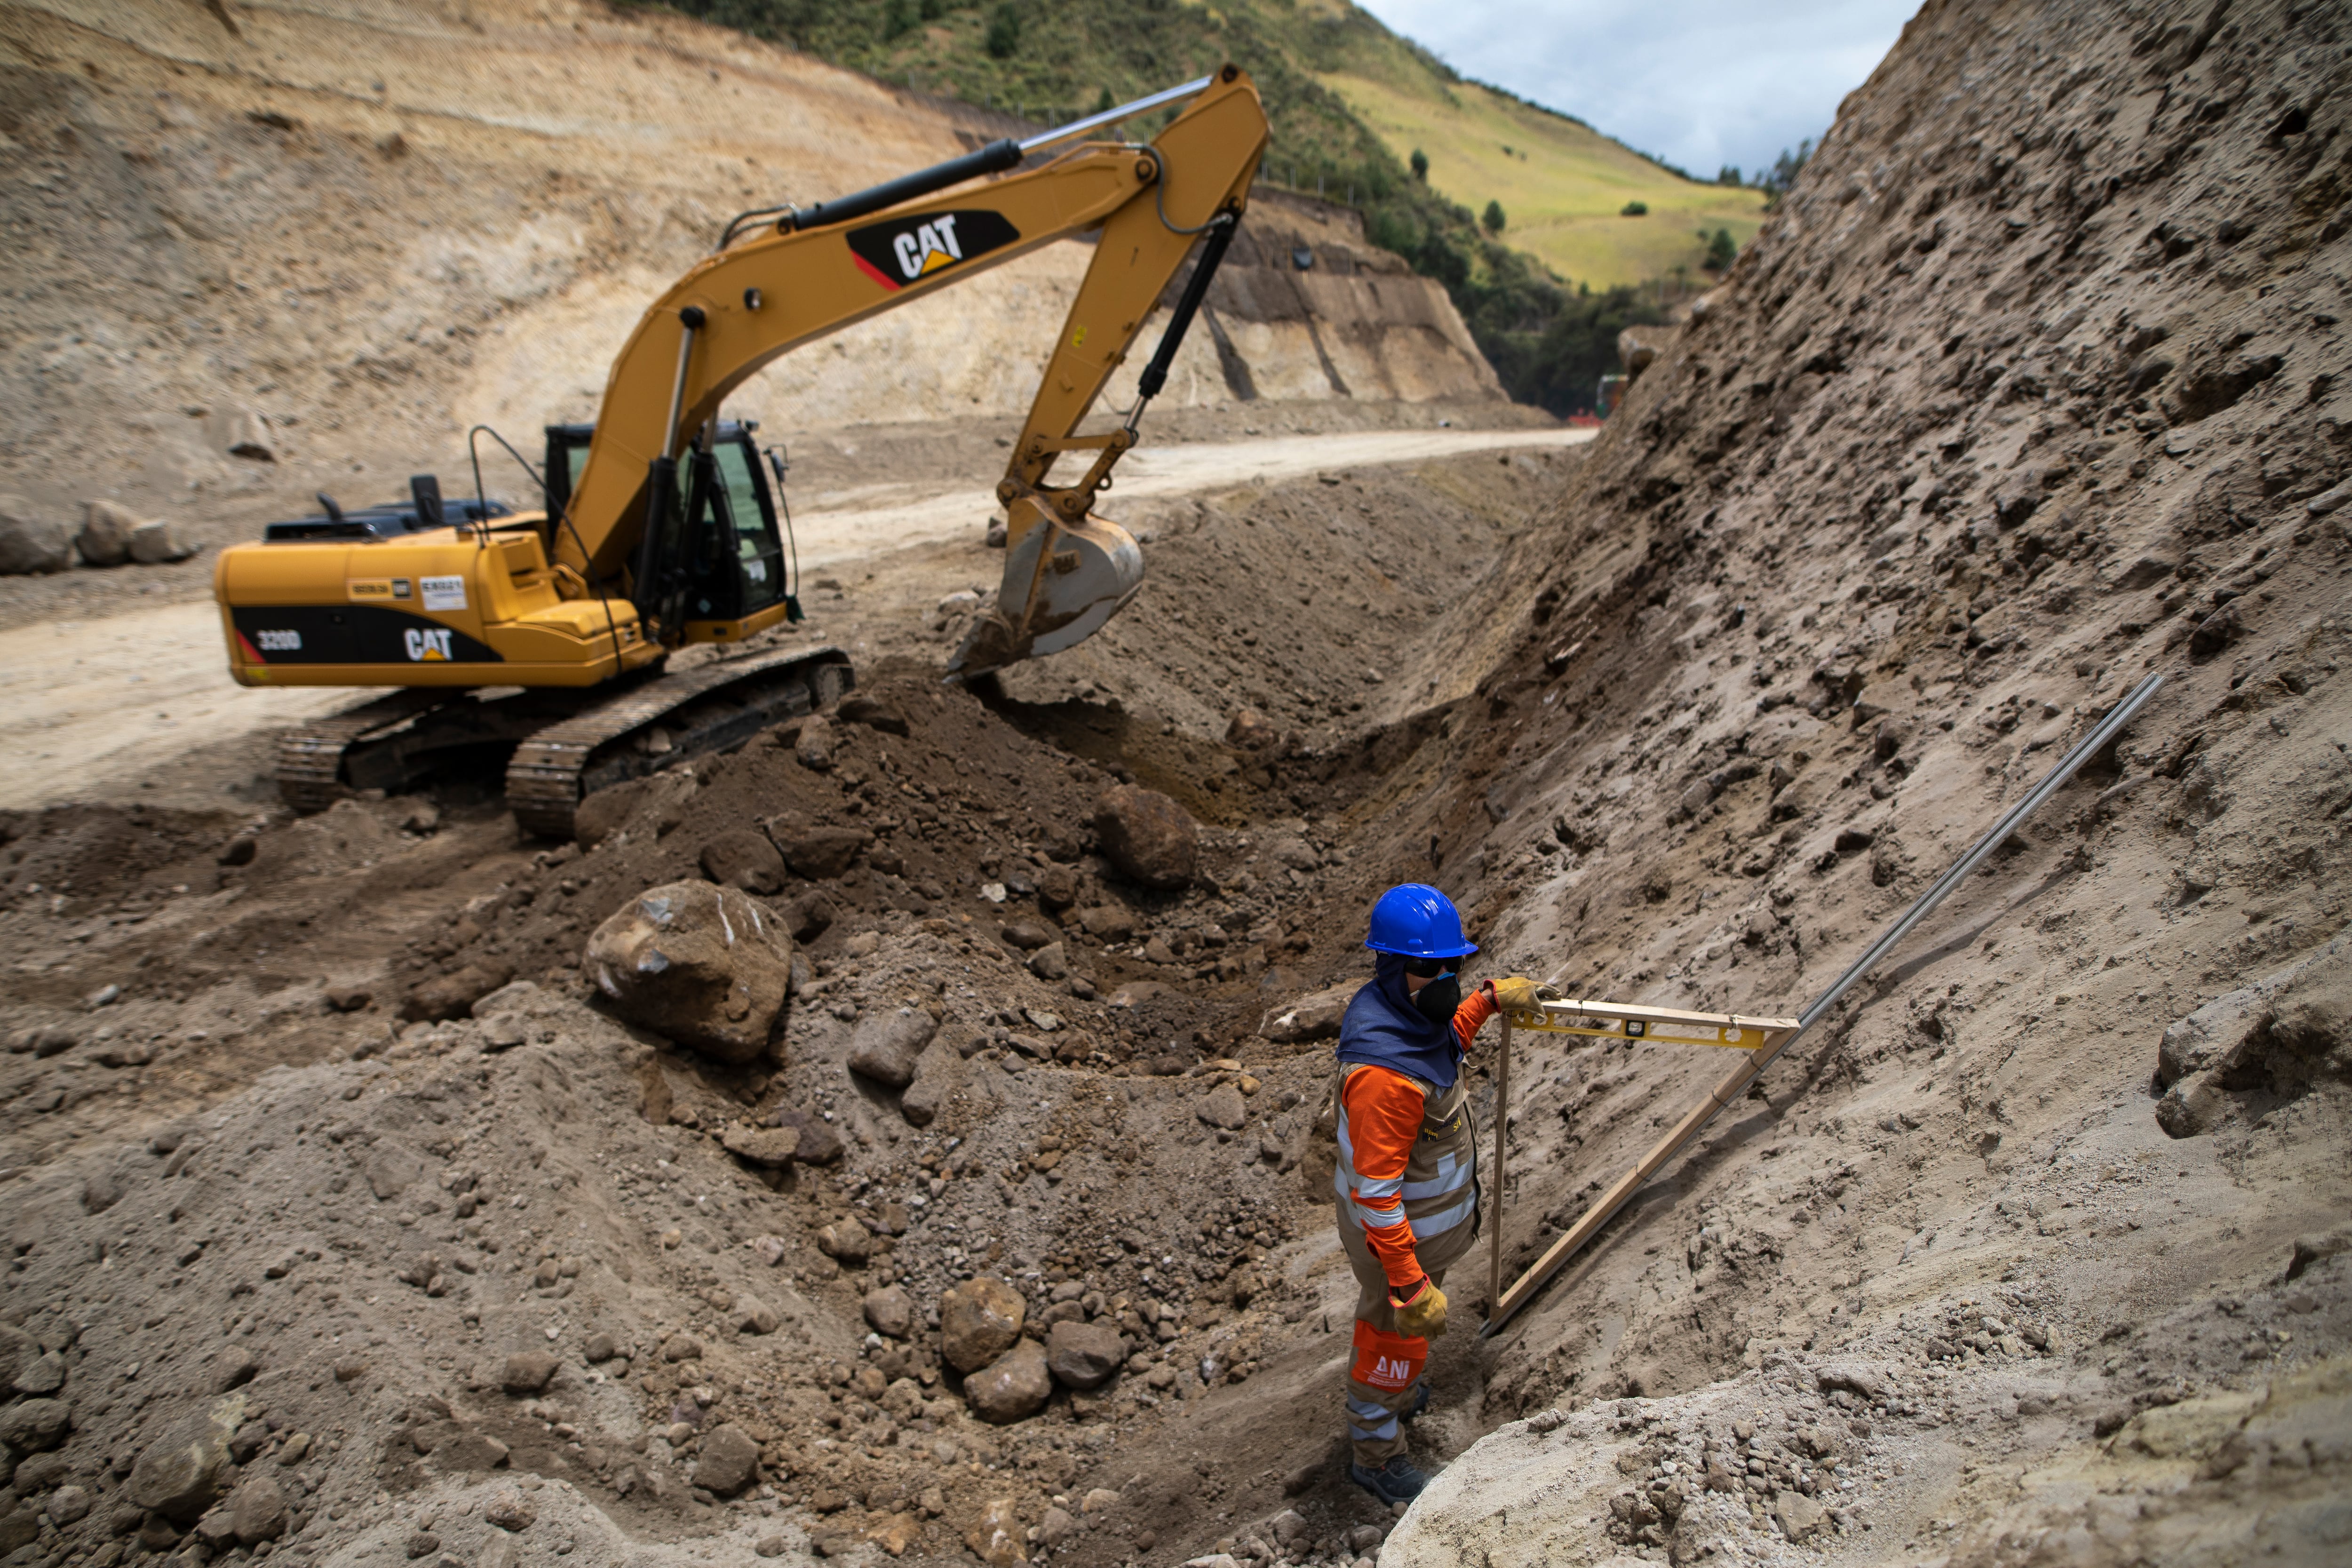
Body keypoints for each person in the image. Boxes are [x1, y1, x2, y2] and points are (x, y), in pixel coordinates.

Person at [1331, 883, 1556, 1504]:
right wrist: (1408, 1284)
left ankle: (1399, 1392)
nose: (1445, 981)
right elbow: (1377, 1194)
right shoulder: (1385, 1077)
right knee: (1388, 1342)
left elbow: (1442, 1045)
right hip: (1396, 1251)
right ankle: (1376, 1453)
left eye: (1453, 966)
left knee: (1403, 1344)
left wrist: (1485, 1002)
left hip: (1421, 1239)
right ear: (1391, 967)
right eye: (1430, 969)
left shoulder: (1406, 1020)